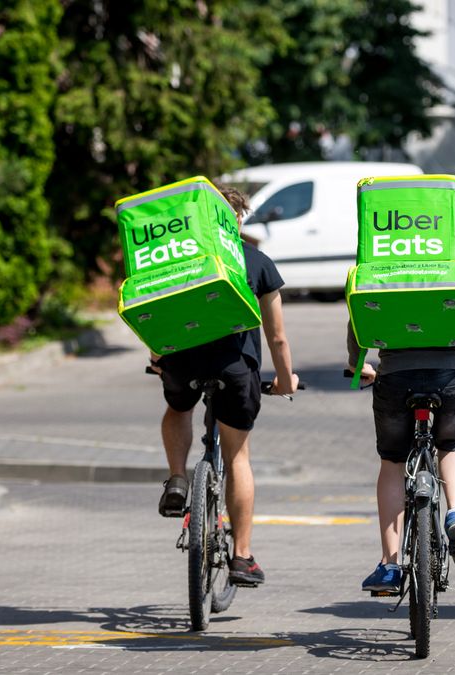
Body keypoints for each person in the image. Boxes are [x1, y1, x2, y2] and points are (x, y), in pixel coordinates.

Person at [151, 183, 299, 587]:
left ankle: (179, 477)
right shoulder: (257, 262)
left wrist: (158, 355)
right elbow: (278, 337)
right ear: (238, 219)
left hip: (182, 362)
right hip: (236, 369)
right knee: (237, 457)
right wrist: (286, 380)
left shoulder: (186, 258)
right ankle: (242, 557)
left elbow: (156, 306)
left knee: (179, 407)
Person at [347, 278, 455, 593]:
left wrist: (357, 363)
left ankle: (390, 565)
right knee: (452, 446)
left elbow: (358, 314)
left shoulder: (381, 255)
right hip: (451, 374)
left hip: (395, 374)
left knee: (393, 461)